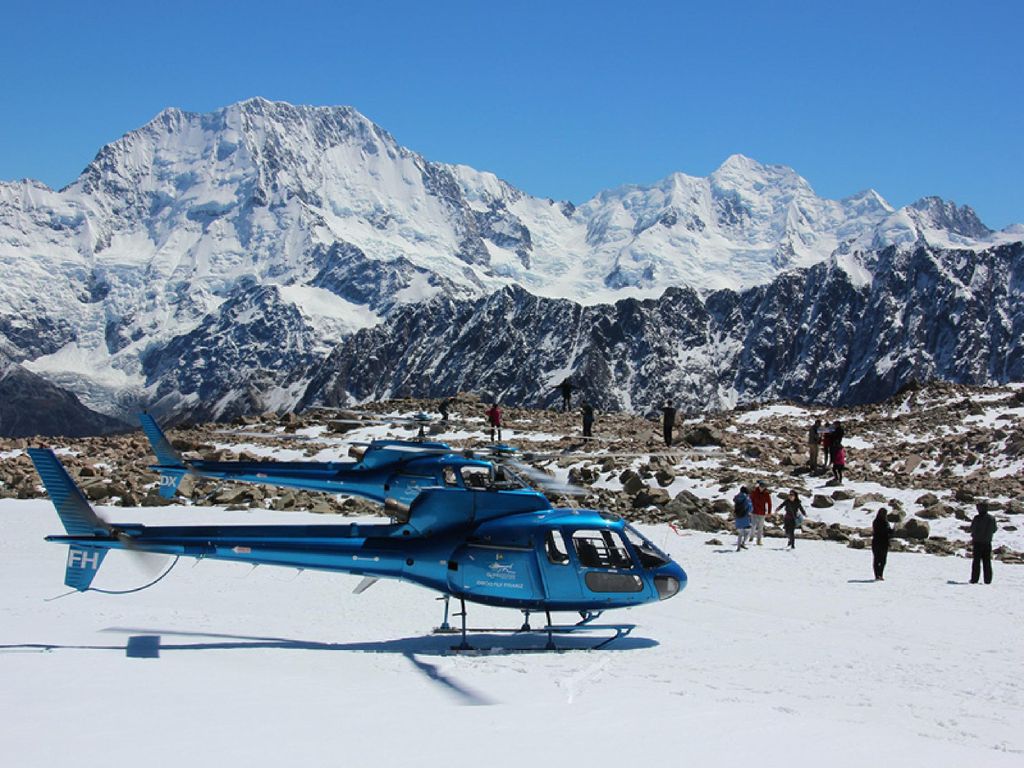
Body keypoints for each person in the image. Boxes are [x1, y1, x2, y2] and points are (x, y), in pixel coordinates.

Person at [969, 502, 998, 584]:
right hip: (987, 543)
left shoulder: (977, 518)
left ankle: (974, 579)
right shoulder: (991, 518)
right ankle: (988, 580)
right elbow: (994, 529)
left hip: (977, 543)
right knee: (987, 562)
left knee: (976, 562)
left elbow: (972, 528)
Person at [749, 480, 772, 546]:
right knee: (753, 526)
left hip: (762, 512)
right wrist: (749, 509)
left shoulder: (766, 494)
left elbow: (769, 503)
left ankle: (759, 540)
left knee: (760, 527)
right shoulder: (754, 492)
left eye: (763, 487)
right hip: (754, 511)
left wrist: (769, 512)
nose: (762, 488)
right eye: (761, 486)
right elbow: (750, 500)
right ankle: (751, 537)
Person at [872, 508, 891, 580]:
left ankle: (880, 574)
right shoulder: (876, 522)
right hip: (877, 542)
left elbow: (888, 531)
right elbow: (880, 531)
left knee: (883, 560)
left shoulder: (886, 522)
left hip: (884, 543)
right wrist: (887, 531)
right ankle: (877, 575)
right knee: (877, 559)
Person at [733, 486, 753, 551]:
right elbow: (750, 507)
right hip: (745, 516)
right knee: (748, 530)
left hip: (738, 516)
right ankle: (743, 543)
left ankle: (738, 547)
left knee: (740, 532)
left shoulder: (737, 497)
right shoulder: (747, 498)